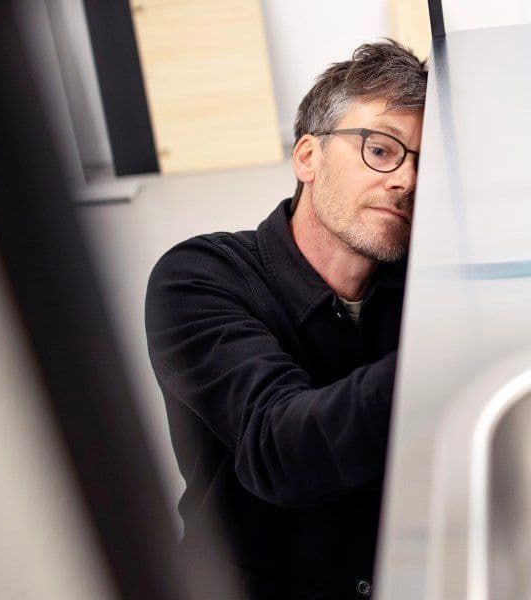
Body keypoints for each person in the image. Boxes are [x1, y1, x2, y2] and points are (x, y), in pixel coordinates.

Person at [144, 39, 425, 599]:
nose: (407, 180)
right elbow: (280, 449)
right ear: (307, 157)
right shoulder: (198, 279)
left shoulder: (420, 282)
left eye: (424, 161)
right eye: (380, 149)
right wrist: (442, 354)